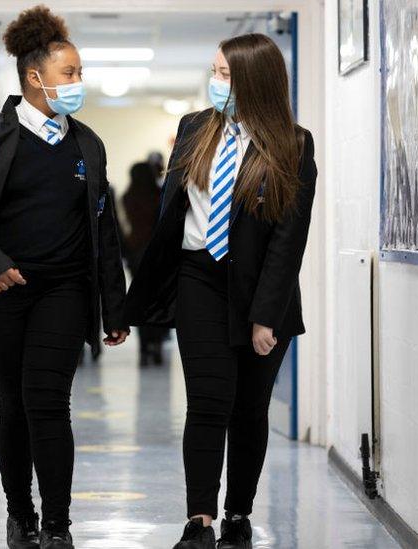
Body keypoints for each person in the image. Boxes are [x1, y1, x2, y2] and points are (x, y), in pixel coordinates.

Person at [0, 6, 129, 549]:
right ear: (34, 78)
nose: (77, 83)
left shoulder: (87, 144)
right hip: (6, 290)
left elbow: (104, 230)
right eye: (70, 73)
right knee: (12, 403)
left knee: (49, 401)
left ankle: (58, 524)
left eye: (79, 73)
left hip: (66, 290)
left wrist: (115, 308)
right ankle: (19, 513)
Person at [124, 33, 318, 549]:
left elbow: (287, 241)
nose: (217, 84)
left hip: (261, 291)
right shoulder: (194, 130)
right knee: (207, 402)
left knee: (249, 409)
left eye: (227, 75)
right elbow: (171, 215)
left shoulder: (294, 145)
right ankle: (200, 520)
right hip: (199, 278)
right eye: (214, 72)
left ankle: (238, 513)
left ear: (256, 81)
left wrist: (265, 316)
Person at [121, 156, 168, 366]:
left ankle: (143, 347)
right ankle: (157, 344)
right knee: (158, 300)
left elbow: (125, 227)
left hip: (135, 254)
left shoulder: (127, 197)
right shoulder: (159, 196)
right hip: (157, 253)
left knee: (140, 300)